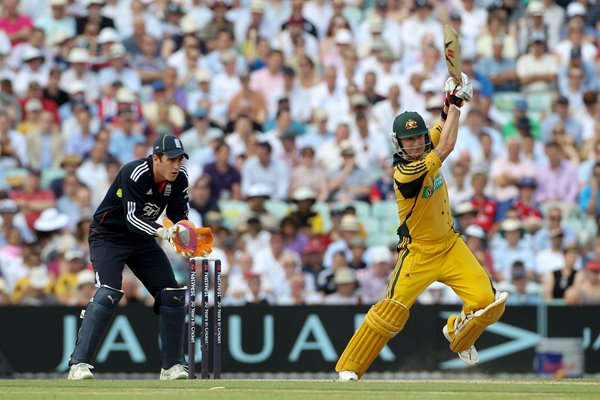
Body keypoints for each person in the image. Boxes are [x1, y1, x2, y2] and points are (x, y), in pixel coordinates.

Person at [336, 74, 508, 382]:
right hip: (417, 253)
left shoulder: (427, 142)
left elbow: (443, 126)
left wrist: (451, 101)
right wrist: (457, 103)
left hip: (451, 245)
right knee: (390, 313)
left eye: (418, 138)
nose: (415, 143)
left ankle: (458, 332)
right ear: (398, 143)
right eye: (409, 139)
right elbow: (447, 146)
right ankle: (350, 367)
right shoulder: (406, 172)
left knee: (487, 302)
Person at [67, 135, 210, 381]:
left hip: (142, 241)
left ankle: (172, 366)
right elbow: (132, 218)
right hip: (108, 236)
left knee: (172, 294)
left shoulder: (180, 178)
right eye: (171, 159)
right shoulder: (135, 172)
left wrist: (185, 235)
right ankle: (78, 364)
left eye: (180, 160)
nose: (177, 166)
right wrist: (162, 231)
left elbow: (179, 216)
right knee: (109, 291)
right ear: (156, 158)